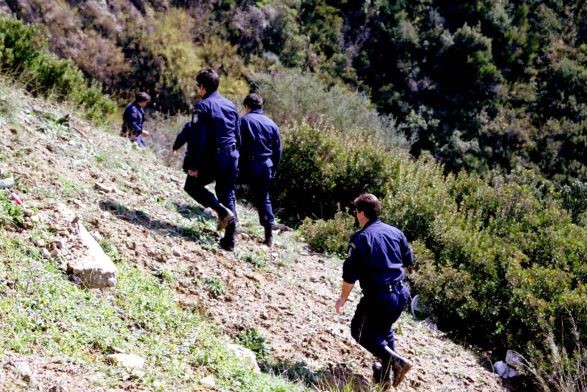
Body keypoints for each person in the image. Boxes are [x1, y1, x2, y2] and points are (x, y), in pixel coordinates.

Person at [335, 193, 414, 389]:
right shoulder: (396, 232)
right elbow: (408, 261)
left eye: (356, 211)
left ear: (361, 213)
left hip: (379, 296)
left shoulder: (361, 238)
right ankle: (383, 380)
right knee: (383, 332)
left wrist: (342, 299)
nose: (355, 215)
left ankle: (397, 362)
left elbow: (350, 276)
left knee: (359, 331)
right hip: (400, 294)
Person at [173, 68, 239, 251]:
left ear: (202, 87)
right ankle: (230, 241)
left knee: (191, 185)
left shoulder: (203, 106)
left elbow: (198, 139)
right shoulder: (231, 105)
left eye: (198, 86)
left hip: (214, 157)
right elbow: (238, 135)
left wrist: (193, 165)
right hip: (232, 156)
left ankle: (220, 211)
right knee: (227, 194)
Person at [239, 93, 281, 246]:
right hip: (266, 166)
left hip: (247, 166)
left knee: (227, 186)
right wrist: (272, 169)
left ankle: (230, 220)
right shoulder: (272, 124)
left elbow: (237, 144)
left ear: (246, 107)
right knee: (264, 199)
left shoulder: (243, 121)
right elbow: (278, 151)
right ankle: (269, 236)